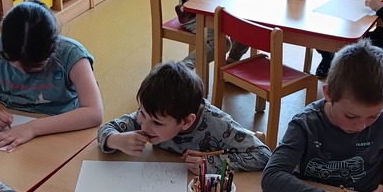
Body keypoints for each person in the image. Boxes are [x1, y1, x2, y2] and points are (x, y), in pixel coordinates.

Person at [261, 39, 383, 192]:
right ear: (329, 93)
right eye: (351, 116)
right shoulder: (305, 124)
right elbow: (272, 176)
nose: (361, 126)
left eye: (373, 116)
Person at [0, 1, 103, 151]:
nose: (25, 71)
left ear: (54, 46)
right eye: (15, 64)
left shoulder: (72, 55)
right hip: (10, 131)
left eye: (37, 66)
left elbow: (94, 112)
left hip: (60, 129)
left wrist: (33, 127)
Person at [97, 61, 270, 173]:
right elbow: (106, 129)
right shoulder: (152, 113)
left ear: (187, 121)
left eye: (157, 123)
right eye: (141, 113)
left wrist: (211, 163)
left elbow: (263, 155)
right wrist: (116, 140)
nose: (143, 126)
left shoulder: (219, 126)